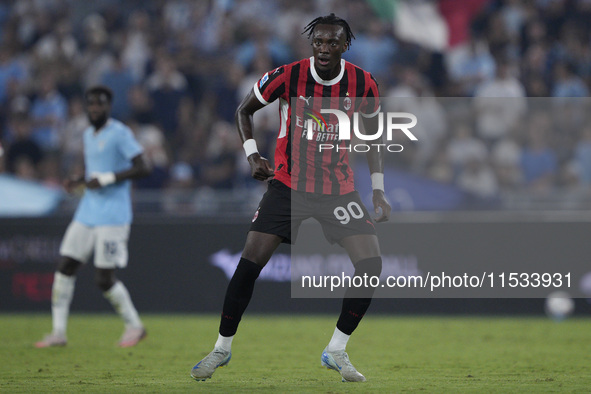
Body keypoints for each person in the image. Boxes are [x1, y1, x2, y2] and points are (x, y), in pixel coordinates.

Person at [190, 14, 391, 383]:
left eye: (332, 43)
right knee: (250, 263)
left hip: (338, 189)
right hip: (289, 185)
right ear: (310, 44)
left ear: (345, 45)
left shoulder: (364, 82)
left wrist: (378, 189)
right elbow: (244, 110)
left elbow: (375, 138)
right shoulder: (288, 75)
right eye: (318, 43)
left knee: (371, 264)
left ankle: (337, 350)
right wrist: (252, 154)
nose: (324, 49)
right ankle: (221, 348)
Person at [35, 86, 151, 348]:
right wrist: (80, 181)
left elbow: (144, 166)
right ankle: (58, 333)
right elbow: (96, 172)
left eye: (99, 104)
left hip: (113, 215)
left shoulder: (120, 133)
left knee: (103, 279)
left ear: (108, 106)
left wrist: (108, 178)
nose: (94, 109)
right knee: (65, 266)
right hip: (87, 211)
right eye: (91, 104)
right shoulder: (88, 134)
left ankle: (135, 326)